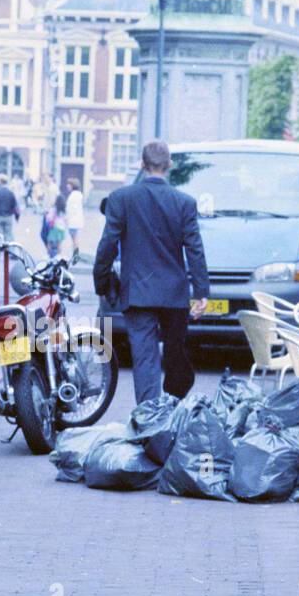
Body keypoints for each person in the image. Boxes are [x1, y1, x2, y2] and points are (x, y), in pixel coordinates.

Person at [93, 139, 209, 405]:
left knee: (145, 360)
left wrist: (102, 283)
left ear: (143, 165)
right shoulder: (184, 203)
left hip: (138, 293)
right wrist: (201, 292)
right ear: (168, 165)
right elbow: (195, 250)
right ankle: (172, 405)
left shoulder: (121, 198)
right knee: (175, 354)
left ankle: (149, 418)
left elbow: (107, 245)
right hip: (174, 294)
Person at [0, 172, 20, 244]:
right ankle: (8, 251)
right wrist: (17, 217)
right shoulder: (10, 193)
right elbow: (15, 207)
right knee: (8, 235)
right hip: (8, 217)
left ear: (0, 182)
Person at [42, 194, 68, 259]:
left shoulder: (54, 210)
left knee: (50, 242)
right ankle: (59, 255)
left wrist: (46, 214)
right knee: (59, 243)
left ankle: (48, 254)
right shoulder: (64, 211)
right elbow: (66, 220)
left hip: (54, 228)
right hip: (61, 229)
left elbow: (49, 218)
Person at [65, 178, 84, 252]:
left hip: (73, 220)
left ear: (73, 185)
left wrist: (67, 218)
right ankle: (75, 252)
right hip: (75, 220)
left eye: (69, 184)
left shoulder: (74, 195)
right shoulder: (77, 194)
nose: (67, 186)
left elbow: (72, 209)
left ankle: (75, 253)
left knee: (74, 237)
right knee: (74, 237)